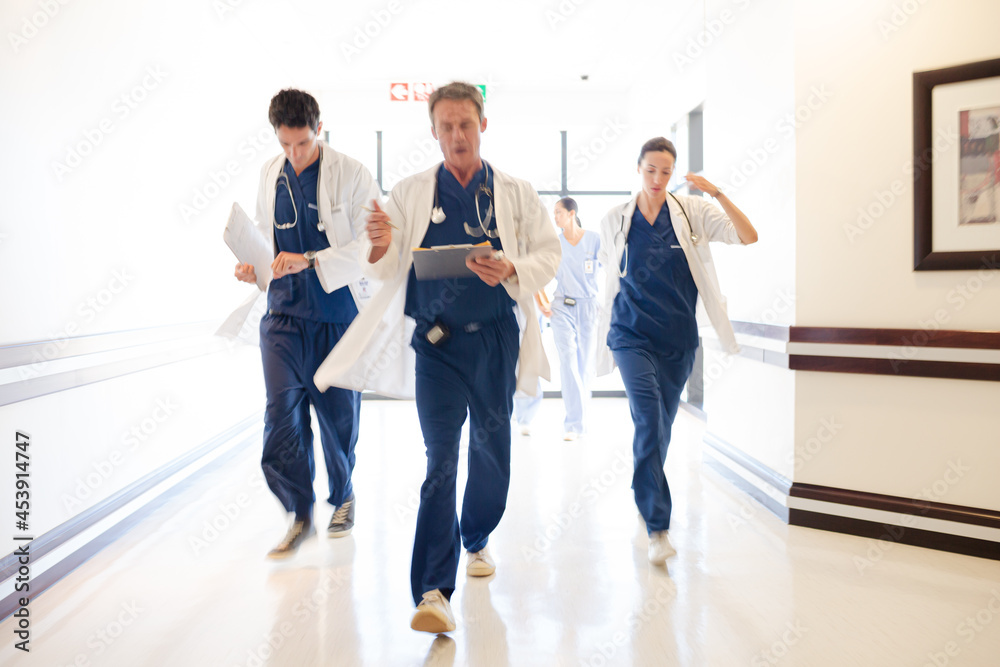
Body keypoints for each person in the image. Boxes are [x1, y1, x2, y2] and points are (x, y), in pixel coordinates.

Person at [313, 82, 560, 633]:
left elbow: (549, 251)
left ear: (482, 125)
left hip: (494, 341)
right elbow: (382, 265)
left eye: (465, 124)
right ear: (433, 132)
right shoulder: (409, 192)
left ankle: (476, 537)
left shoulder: (514, 193)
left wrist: (514, 270)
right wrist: (376, 242)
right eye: (446, 126)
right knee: (440, 463)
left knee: (493, 457)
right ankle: (431, 591)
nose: (456, 135)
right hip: (436, 347)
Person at [232, 89, 381, 559]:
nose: (294, 154)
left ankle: (344, 495)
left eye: (302, 143)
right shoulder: (270, 174)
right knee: (282, 419)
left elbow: (368, 249)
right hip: (281, 316)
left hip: (335, 314)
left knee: (338, 420)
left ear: (319, 128)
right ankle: (299, 512)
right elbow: (263, 236)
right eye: (286, 145)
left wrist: (311, 260)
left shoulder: (353, 174)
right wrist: (251, 266)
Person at [596, 137, 757, 565]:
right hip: (629, 336)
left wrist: (717, 194)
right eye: (650, 170)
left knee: (659, 429)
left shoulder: (693, 212)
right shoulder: (616, 219)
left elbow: (748, 236)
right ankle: (657, 526)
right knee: (649, 418)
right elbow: (609, 282)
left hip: (678, 341)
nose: (657, 179)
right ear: (638, 168)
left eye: (666, 172)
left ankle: (643, 492)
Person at [549, 197, 601, 441]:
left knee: (584, 365)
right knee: (568, 361)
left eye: (558, 212)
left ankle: (580, 418)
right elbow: (540, 271)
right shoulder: (555, 244)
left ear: (571, 213)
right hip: (562, 305)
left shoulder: (594, 240)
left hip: (589, 307)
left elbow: (612, 269)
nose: (555, 217)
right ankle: (573, 424)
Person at [513, 291, 550, 436]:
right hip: (503, 301)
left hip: (526, 302)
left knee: (527, 359)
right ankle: (514, 411)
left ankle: (525, 417)